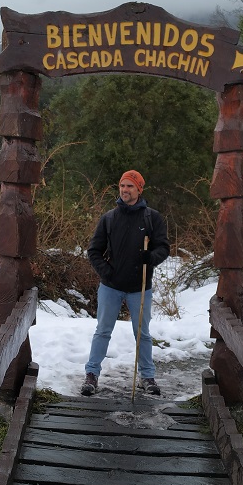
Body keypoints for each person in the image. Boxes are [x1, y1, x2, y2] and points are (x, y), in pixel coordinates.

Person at [82, 169, 170, 396]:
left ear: (139, 189)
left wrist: (151, 258)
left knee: (142, 334)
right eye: (122, 185)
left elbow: (163, 247)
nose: (125, 190)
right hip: (110, 286)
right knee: (102, 331)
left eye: (130, 186)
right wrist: (106, 271)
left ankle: (147, 376)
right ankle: (91, 375)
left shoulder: (152, 218)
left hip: (140, 286)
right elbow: (94, 251)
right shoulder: (109, 218)